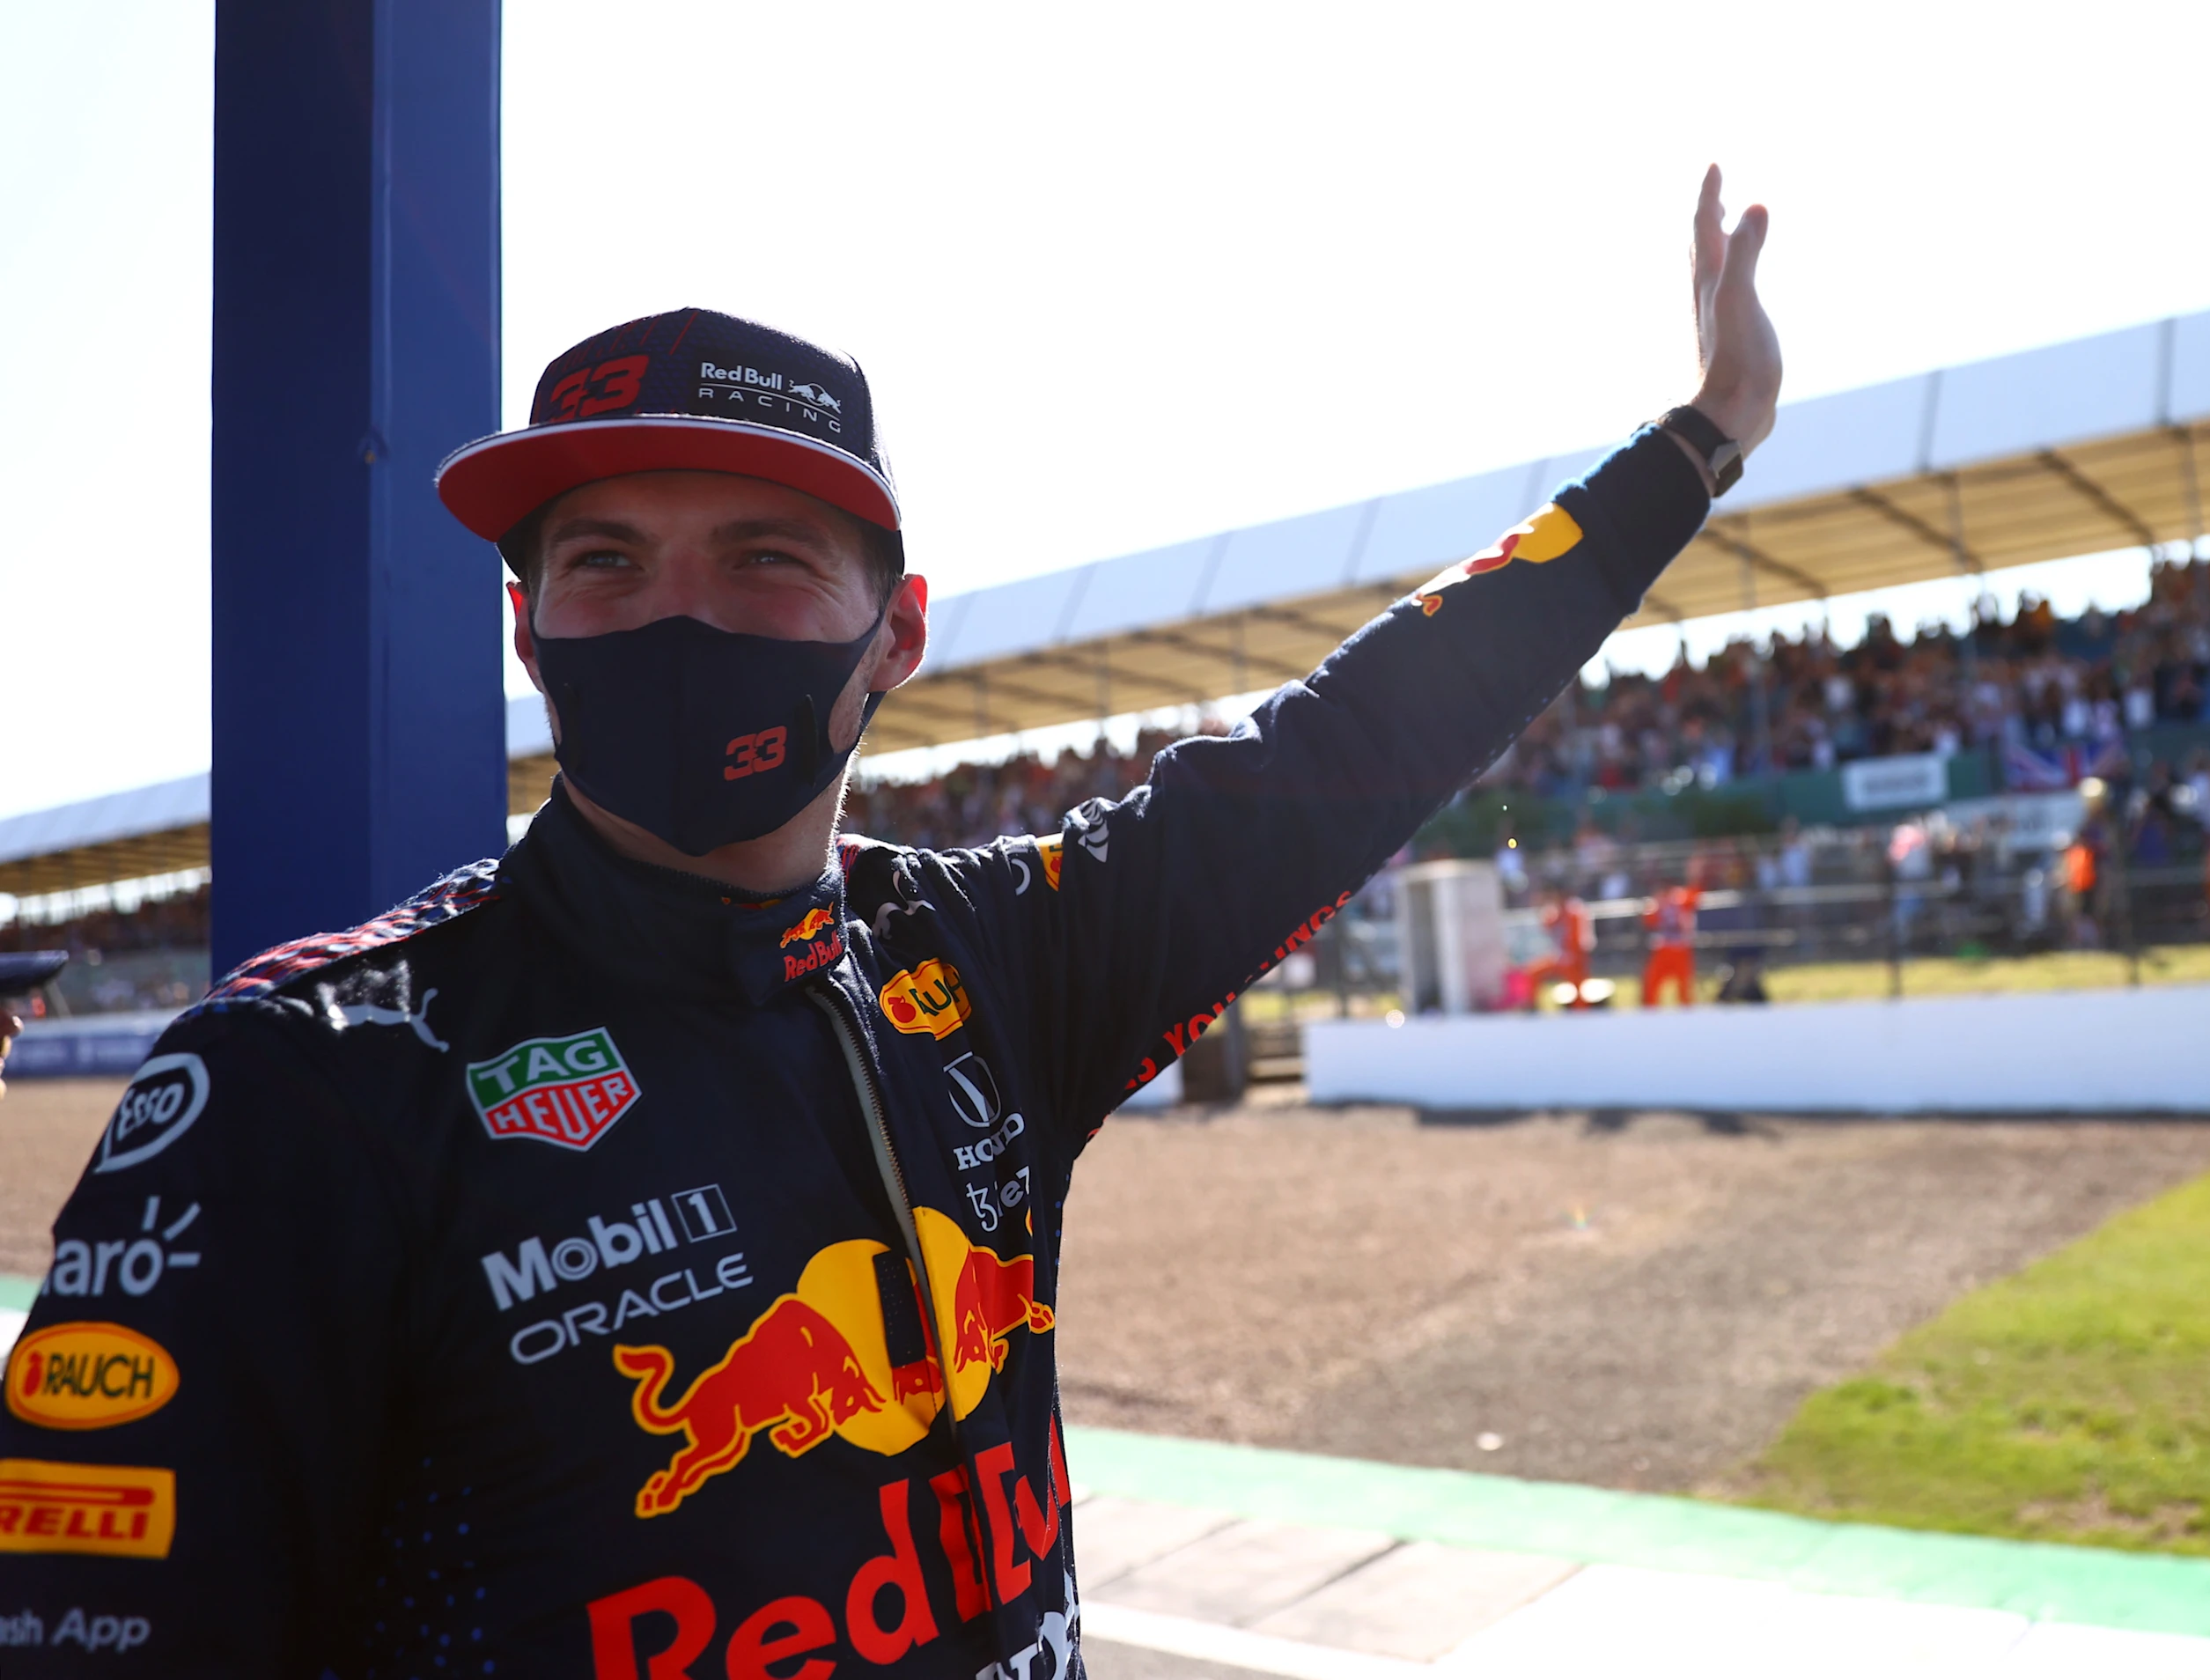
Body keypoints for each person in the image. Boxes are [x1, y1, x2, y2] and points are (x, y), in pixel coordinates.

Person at [0, 167, 1782, 1676]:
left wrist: (1697, 445)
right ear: (530, 637)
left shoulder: (992, 962)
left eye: (764, 556)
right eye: (604, 561)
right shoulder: (293, 1091)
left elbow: (1366, 733)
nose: (675, 615)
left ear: (897, 632)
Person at [1639, 868, 1701, 1007]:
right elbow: (1649, 920)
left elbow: (1695, 896)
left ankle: (1687, 1019)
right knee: (1652, 985)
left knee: (1684, 989)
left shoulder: (1683, 897)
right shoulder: (1657, 901)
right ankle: (1650, 1017)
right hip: (1663, 948)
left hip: (1681, 947)